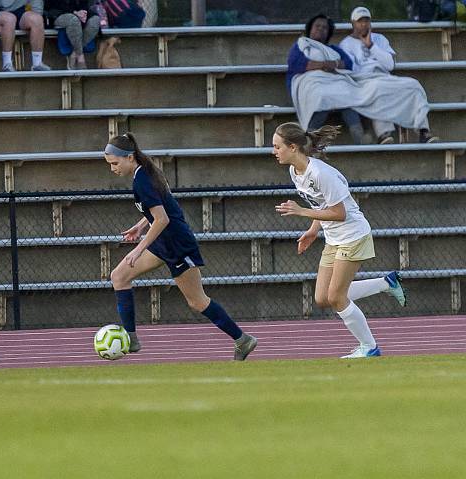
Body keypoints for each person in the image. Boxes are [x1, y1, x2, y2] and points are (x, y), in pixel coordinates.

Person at [104, 133, 258, 361]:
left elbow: (163, 219)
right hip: (162, 242)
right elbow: (159, 209)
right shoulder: (145, 173)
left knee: (197, 301)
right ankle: (132, 338)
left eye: (115, 163)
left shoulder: (142, 180)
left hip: (176, 243)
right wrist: (139, 226)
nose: (112, 169)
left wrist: (138, 248)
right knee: (119, 276)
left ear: (129, 157)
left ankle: (242, 340)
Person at [272, 122, 408, 359]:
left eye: (276, 146)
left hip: (353, 236)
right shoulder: (295, 172)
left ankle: (369, 347)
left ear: (292, 147)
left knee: (336, 297)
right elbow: (321, 205)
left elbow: (339, 213)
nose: (273, 151)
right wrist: (313, 231)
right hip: (333, 238)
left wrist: (301, 212)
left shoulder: (321, 173)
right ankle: (386, 283)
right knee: (323, 298)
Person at [339, 6, 438, 144]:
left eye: (366, 21)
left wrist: (371, 46)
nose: (363, 24)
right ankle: (383, 134)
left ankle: (423, 131)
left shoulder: (379, 39)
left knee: (413, 85)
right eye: (360, 21)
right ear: (353, 23)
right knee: (377, 88)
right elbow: (352, 70)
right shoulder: (346, 44)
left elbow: (390, 65)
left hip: (385, 77)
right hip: (363, 81)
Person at [286, 14, 365, 144]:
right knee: (321, 96)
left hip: (332, 83)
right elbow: (297, 64)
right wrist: (324, 64)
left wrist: (334, 64)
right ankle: (309, 141)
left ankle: (359, 138)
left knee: (348, 94)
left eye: (324, 28)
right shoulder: (300, 46)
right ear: (310, 28)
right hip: (308, 83)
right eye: (317, 26)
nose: (320, 29)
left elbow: (347, 64)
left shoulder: (333, 49)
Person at [0, 0, 51, 71]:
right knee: (9, 19)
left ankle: (37, 63)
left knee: (36, 19)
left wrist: (35, 28)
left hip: (21, 11)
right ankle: (7, 64)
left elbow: (37, 6)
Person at [45, 0, 100, 70]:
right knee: (74, 20)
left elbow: (85, 4)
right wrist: (75, 13)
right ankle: (80, 56)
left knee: (95, 20)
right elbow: (52, 7)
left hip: (78, 13)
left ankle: (74, 53)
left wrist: (83, 13)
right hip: (58, 13)